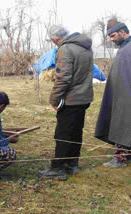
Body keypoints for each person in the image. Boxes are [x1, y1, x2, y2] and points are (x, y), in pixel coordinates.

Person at [38, 25, 94, 180]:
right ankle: (72, 164)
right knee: (76, 131)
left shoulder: (65, 49)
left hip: (71, 100)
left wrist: (53, 99)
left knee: (63, 133)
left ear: (55, 38)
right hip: (84, 98)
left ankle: (57, 169)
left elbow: (64, 78)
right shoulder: (85, 47)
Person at [95, 19, 131, 167]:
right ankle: (125, 155)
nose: (111, 40)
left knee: (125, 125)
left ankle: (120, 159)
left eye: (113, 36)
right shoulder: (125, 48)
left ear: (123, 32)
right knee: (120, 125)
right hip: (122, 97)